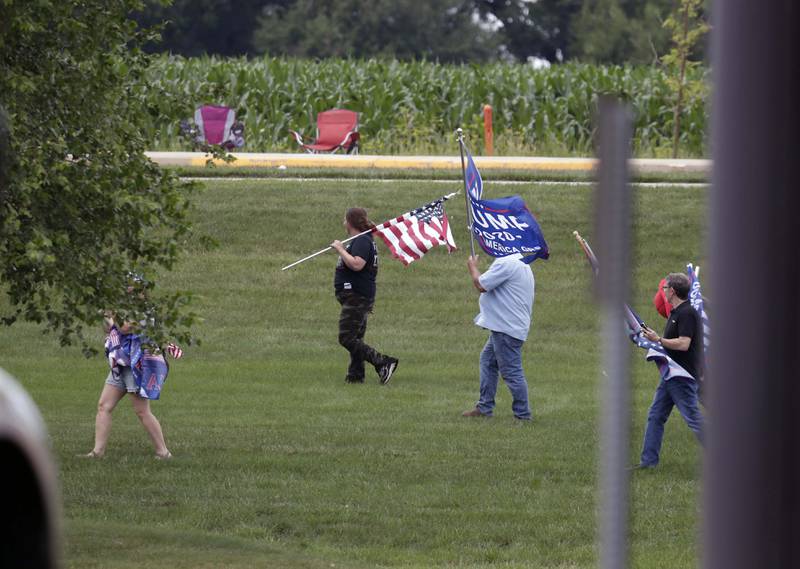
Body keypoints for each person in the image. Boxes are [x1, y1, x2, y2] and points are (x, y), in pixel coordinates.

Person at [635, 272, 704, 468]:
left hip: (682, 376)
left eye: (665, 288)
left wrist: (658, 340)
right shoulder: (677, 313)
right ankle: (648, 463)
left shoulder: (687, 313)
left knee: (694, 419)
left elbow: (683, 344)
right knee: (655, 415)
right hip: (670, 375)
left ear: (672, 291)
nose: (663, 291)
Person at [462, 253, 534, 421]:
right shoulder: (520, 260)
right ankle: (484, 407)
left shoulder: (507, 262)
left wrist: (472, 266)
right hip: (507, 326)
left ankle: (523, 415)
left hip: (506, 328)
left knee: (512, 372)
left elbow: (481, 285)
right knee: (487, 361)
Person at [331, 207, 398, 384]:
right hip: (356, 295)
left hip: (357, 296)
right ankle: (355, 375)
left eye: (345, 219)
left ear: (350, 222)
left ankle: (383, 362)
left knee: (346, 337)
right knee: (356, 337)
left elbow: (356, 264)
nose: (343, 223)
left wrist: (340, 249)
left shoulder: (361, 240)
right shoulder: (361, 240)